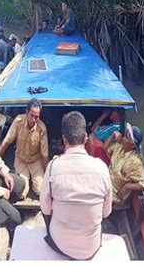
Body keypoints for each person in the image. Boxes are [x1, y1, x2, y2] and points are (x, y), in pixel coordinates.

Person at [40, 111, 112, 260]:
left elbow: (45, 209)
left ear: (64, 140)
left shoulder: (53, 166)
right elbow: (106, 213)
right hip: (91, 247)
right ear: (85, 138)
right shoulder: (102, 168)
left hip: (59, 244)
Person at [0, 98, 49, 199]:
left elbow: (44, 154)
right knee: (21, 194)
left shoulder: (42, 128)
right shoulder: (18, 121)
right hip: (20, 160)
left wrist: (48, 174)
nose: (34, 119)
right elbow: (6, 141)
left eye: (37, 117)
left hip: (35, 161)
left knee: (40, 191)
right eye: (32, 116)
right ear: (26, 112)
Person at [103, 123, 144, 205]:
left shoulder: (135, 161)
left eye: (127, 137)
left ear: (132, 145)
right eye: (126, 135)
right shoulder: (119, 145)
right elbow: (105, 148)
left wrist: (127, 186)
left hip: (113, 194)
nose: (123, 138)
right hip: (104, 182)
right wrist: (113, 134)